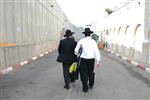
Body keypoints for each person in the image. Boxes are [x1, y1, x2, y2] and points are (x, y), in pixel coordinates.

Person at [74, 28, 101, 93]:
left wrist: (78, 54)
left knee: (83, 74)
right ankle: (91, 84)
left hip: (83, 60)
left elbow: (76, 51)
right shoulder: (93, 42)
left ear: (84, 34)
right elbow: (96, 52)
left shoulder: (81, 41)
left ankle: (85, 88)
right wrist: (98, 61)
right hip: (91, 60)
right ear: (90, 34)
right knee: (90, 72)